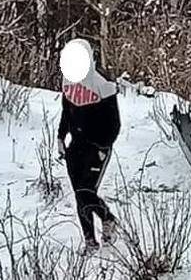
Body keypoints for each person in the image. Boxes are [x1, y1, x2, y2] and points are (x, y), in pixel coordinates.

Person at [57, 38, 121, 253]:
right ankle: (90, 241)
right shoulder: (67, 80)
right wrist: (60, 137)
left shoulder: (102, 83)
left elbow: (114, 123)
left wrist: (103, 146)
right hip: (75, 145)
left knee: (86, 191)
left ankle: (108, 218)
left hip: (96, 147)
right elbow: (66, 111)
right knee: (79, 195)